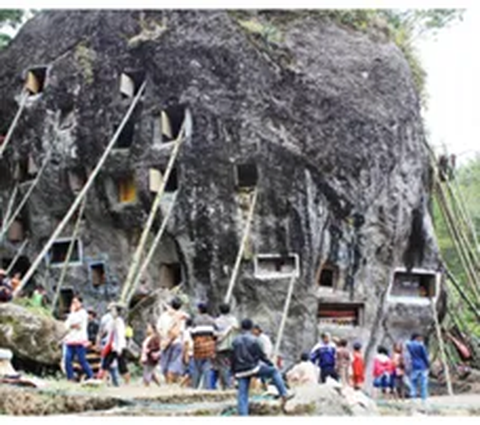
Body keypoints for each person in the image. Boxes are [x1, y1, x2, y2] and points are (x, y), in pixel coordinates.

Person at [231, 318, 293, 416]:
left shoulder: (235, 341)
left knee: (242, 394)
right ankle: (284, 393)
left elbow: (232, 358)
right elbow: (261, 356)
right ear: (251, 328)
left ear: (241, 328)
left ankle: (243, 415)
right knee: (273, 371)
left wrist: (233, 373)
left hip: (240, 371)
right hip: (253, 368)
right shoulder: (254, 340)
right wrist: (271, 364)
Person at [157, 297, 188, 384]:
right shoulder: (181, 316)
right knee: (173, 365)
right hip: (176, 342)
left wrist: (164, 338)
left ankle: (168, 383)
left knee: (165, 365)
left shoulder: (163, 316)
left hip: (165, 342)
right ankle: (171, 383)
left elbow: (158, 329)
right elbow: (179, 331)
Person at [63, 296, 94, 382]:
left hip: (79, 341)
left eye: (76, 302)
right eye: (73, 302)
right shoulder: (72, 314)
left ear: (80, 304)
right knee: (67, 358)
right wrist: (71, 322)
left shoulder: (83, 313)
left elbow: (76, 322)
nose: (74, 304)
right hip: (70, 340)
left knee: (82, 360)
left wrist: (71, 321)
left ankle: (91, 376)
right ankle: (70, 377)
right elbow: (66, 326)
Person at [98, 303, 130, 385]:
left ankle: (127, 383)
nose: (111, 312)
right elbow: (106, 331)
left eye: (113, 310)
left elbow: (120, 335)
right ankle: (103, 381)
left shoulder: (119, 321)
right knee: (105, 364)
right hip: (111, 346)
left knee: (122, 366)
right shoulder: (112, 321)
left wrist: (119, 349)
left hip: (119, 346)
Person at [190, 302, 217, 389]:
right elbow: (215, 334)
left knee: (197, 367)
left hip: (198, 346)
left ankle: (195, 386)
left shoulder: (196, 320)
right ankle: (208, 387)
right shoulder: (212, 320)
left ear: (199, 310)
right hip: (209, 346)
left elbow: (192, 333)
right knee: (208, 367)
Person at [212, 303, 239, 390]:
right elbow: (237, 328)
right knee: (229, 365)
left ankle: (225, 385)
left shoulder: (217, 321)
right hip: (231, 345)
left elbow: (214, 333)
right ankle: (228, 385)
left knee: (222, 366)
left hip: (221, 345)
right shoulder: (233, 320)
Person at [406, 334, 430, 401]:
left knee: (413, 383)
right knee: (423, 383)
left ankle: (413, 397)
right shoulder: (420, 345)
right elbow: (424, 356)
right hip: (422, 366)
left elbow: (407, 343)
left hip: (414, 365)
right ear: (417, 337)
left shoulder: (409, 345)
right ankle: (424, 398)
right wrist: (428, 364)